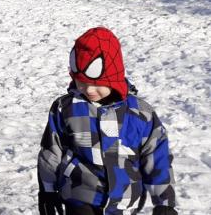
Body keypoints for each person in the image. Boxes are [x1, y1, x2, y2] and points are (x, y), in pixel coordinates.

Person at [37, 27, 177, 215]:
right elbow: (51, 151)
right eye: (81, 82)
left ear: (114, 77)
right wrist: (47, 190)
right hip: (80, 197)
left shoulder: (140, 114)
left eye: (96, 83)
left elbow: (157, 157)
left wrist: (165, 203)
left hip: (124, 203)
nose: (88, 89)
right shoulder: (66, 108)